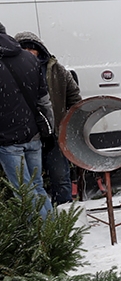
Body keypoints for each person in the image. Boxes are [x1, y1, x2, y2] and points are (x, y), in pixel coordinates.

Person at [14, 31, 82, 205]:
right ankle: (39, 222)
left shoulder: (56, 70)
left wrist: (66, 126)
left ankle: (64, 217)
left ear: (40, 50)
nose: (29, 52)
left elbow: (74, 100)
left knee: (60, 178)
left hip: (54, 135)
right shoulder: (10, 70)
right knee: (30, 183)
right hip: (25, 136)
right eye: (24, 48)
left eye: (32, 48)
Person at [0, 27, 54, 218]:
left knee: (24, 192)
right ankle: (54, 236)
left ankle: (41, 239)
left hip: (7, 139)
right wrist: (49, 129)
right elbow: (44, 100)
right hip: (33, 133)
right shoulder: (29, 58)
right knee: (37, 186)